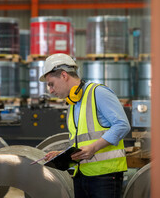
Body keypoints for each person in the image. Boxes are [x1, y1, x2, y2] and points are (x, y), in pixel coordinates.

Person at [40, 53, 131, 198]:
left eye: (51, 84)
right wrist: (63, 155)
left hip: (105, 176)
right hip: (81, 174)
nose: (50, 90)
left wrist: (93, 148)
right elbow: (84, 140)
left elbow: (122, 125)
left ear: (64, 75)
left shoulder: (98, 92)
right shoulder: (73, 103)